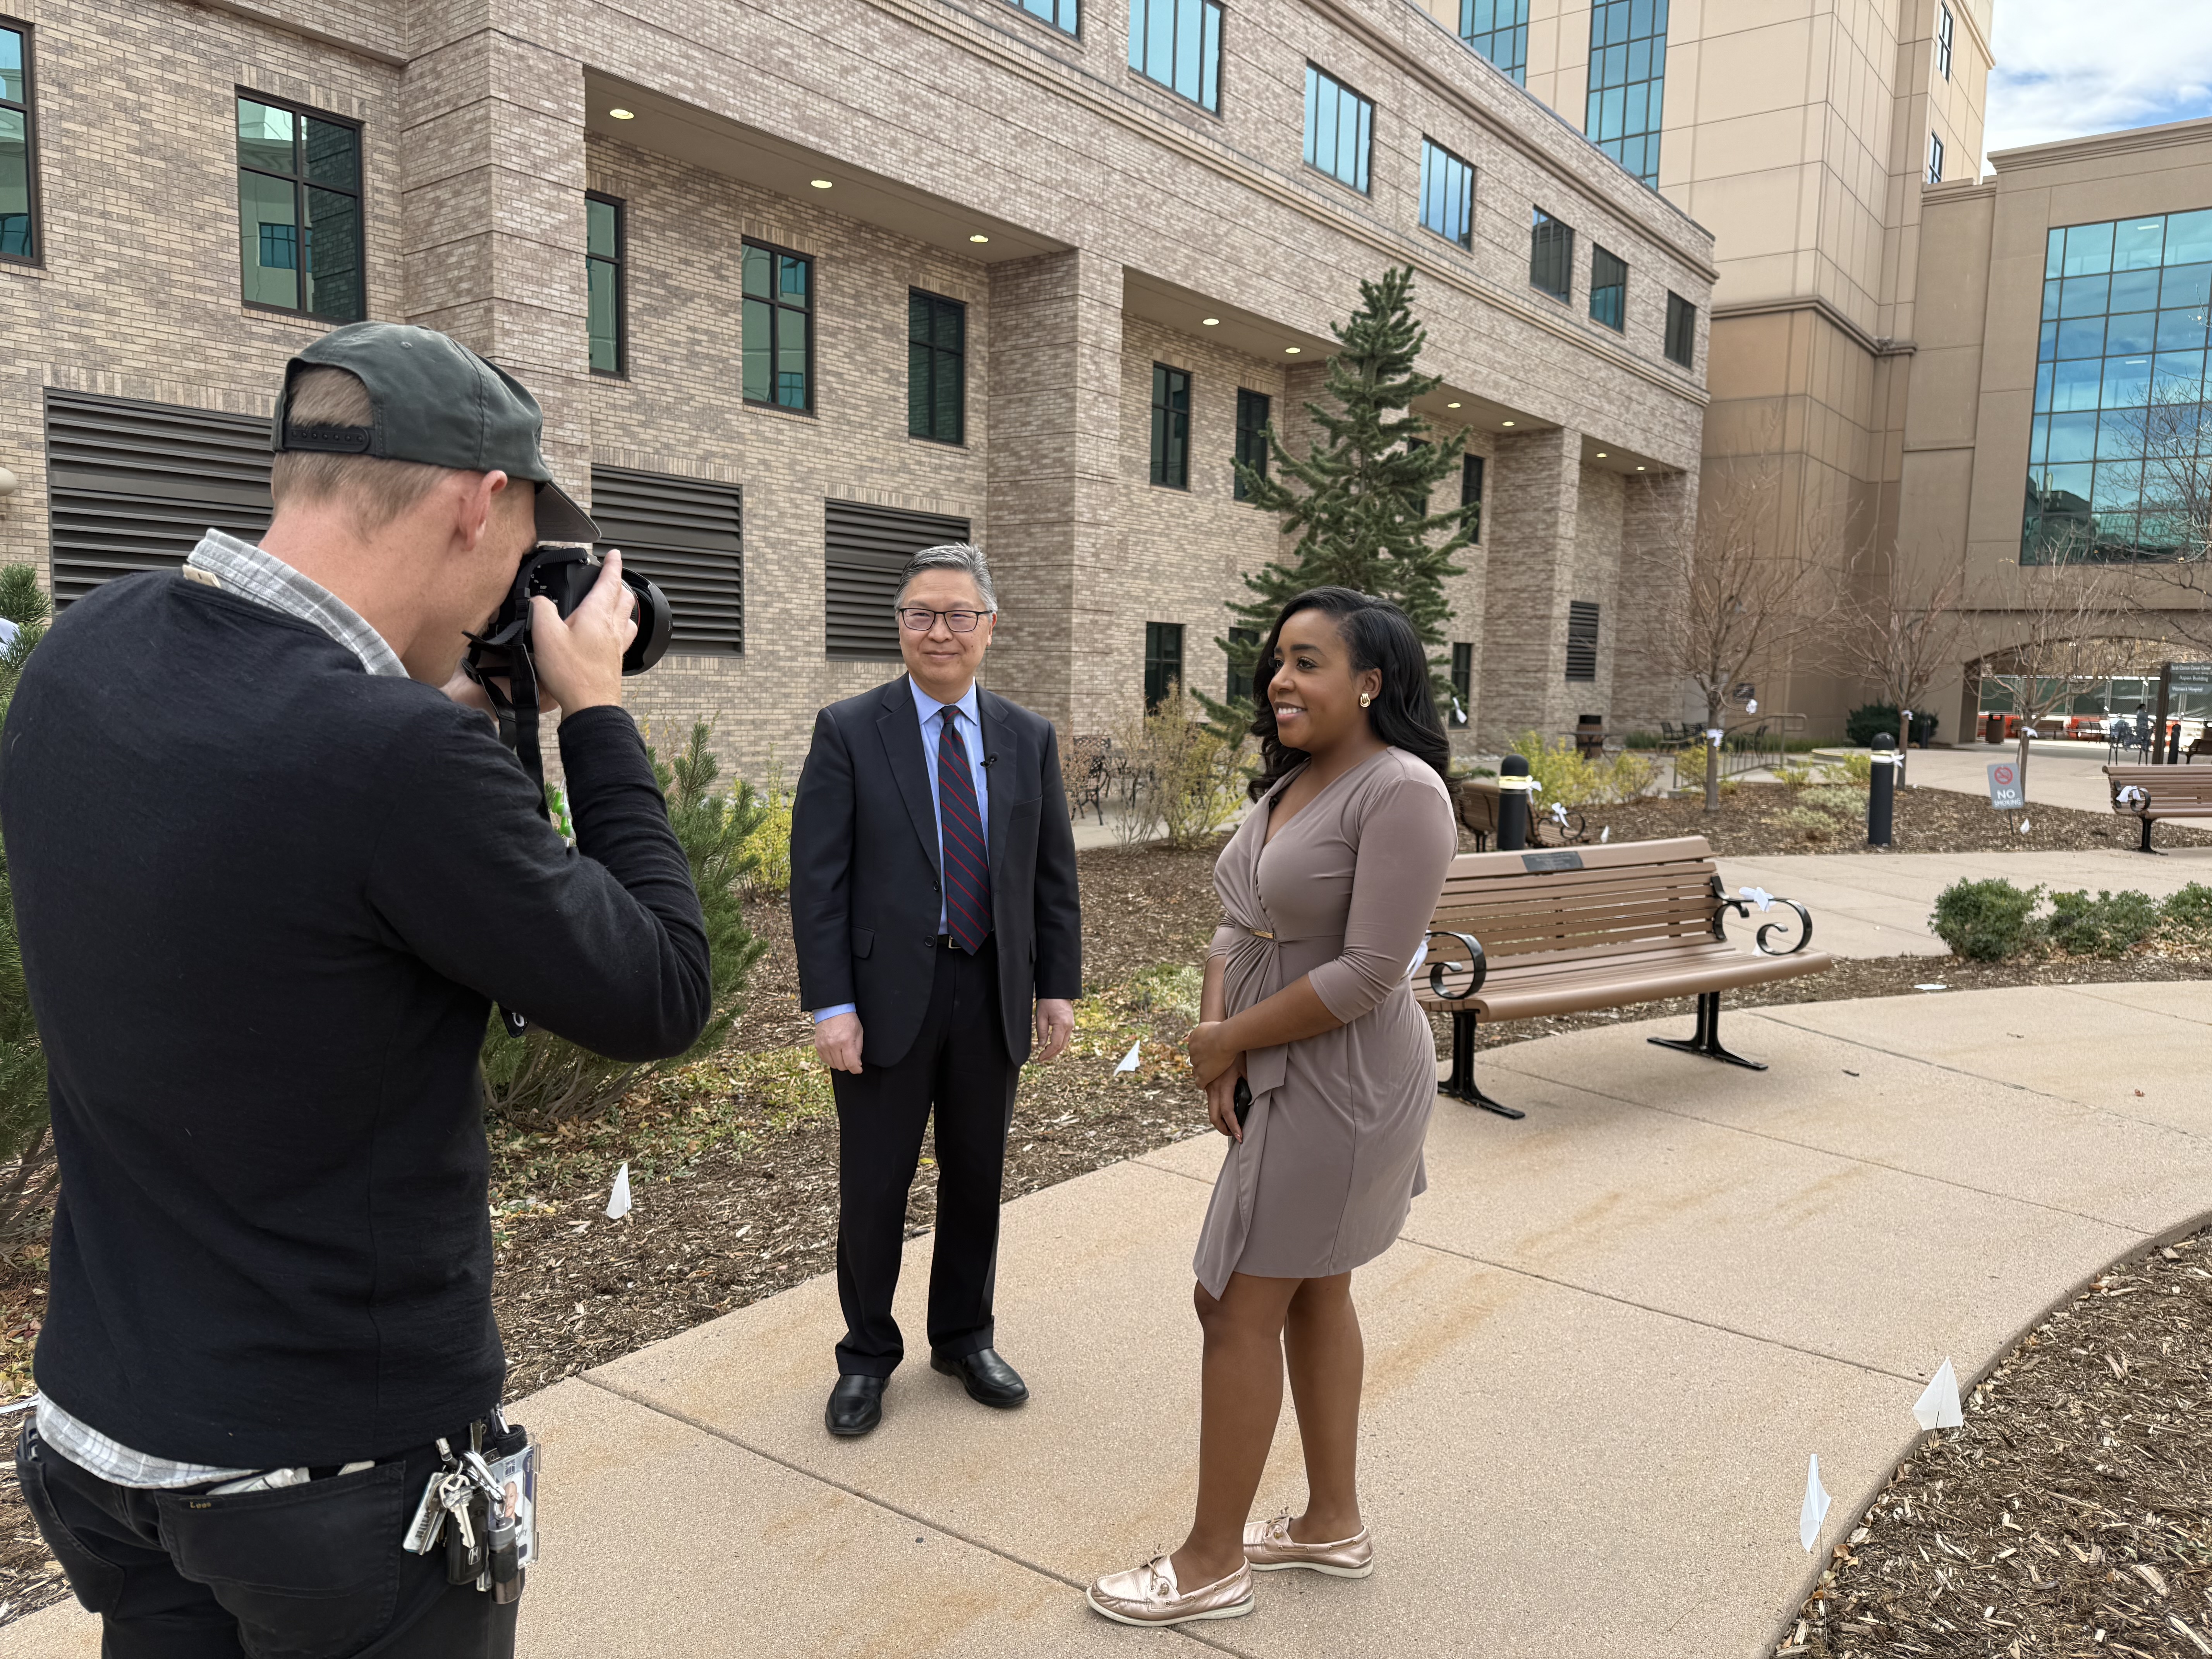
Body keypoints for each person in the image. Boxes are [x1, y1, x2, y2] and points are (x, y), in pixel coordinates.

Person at [0, 322, 712, 1657]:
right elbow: (659, 986)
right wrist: (596, 714)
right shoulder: (392, 762)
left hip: (105, 1443)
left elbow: (262, 869)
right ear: (477, 502)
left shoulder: (86, 648)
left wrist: (440, 700)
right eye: (521, 545)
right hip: (334, 1483)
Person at [1086, 587, 1457, 1628]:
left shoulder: (1402, 793)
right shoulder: (1299, 779)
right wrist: (1218, 1049)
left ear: (1370, 682)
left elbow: (1370, 974)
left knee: (1236, 1304)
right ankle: (1331, 1521)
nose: (1281, 681)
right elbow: (1237, 925)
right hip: (1275, 1068)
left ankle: (1211, 1562)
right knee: (1311, 1288)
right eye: (1276, 664)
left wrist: (1230, 1039)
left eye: (1307, 662)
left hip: (1344, 1083)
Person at [790, 542, 1082, 1438]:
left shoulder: (1028, 738)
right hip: (883, 1004)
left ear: (990, 628)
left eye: (958, 614)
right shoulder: (849, 729)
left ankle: (963, 1336)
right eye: (921, 613)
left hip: (990, 992)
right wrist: (831, 1005)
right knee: (874, 1186)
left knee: (977, 1179)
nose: (939, 630)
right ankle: (866, 1356)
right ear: (900, 627)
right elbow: (819, 881)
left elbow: (1051, 876)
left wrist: (1056, 989)